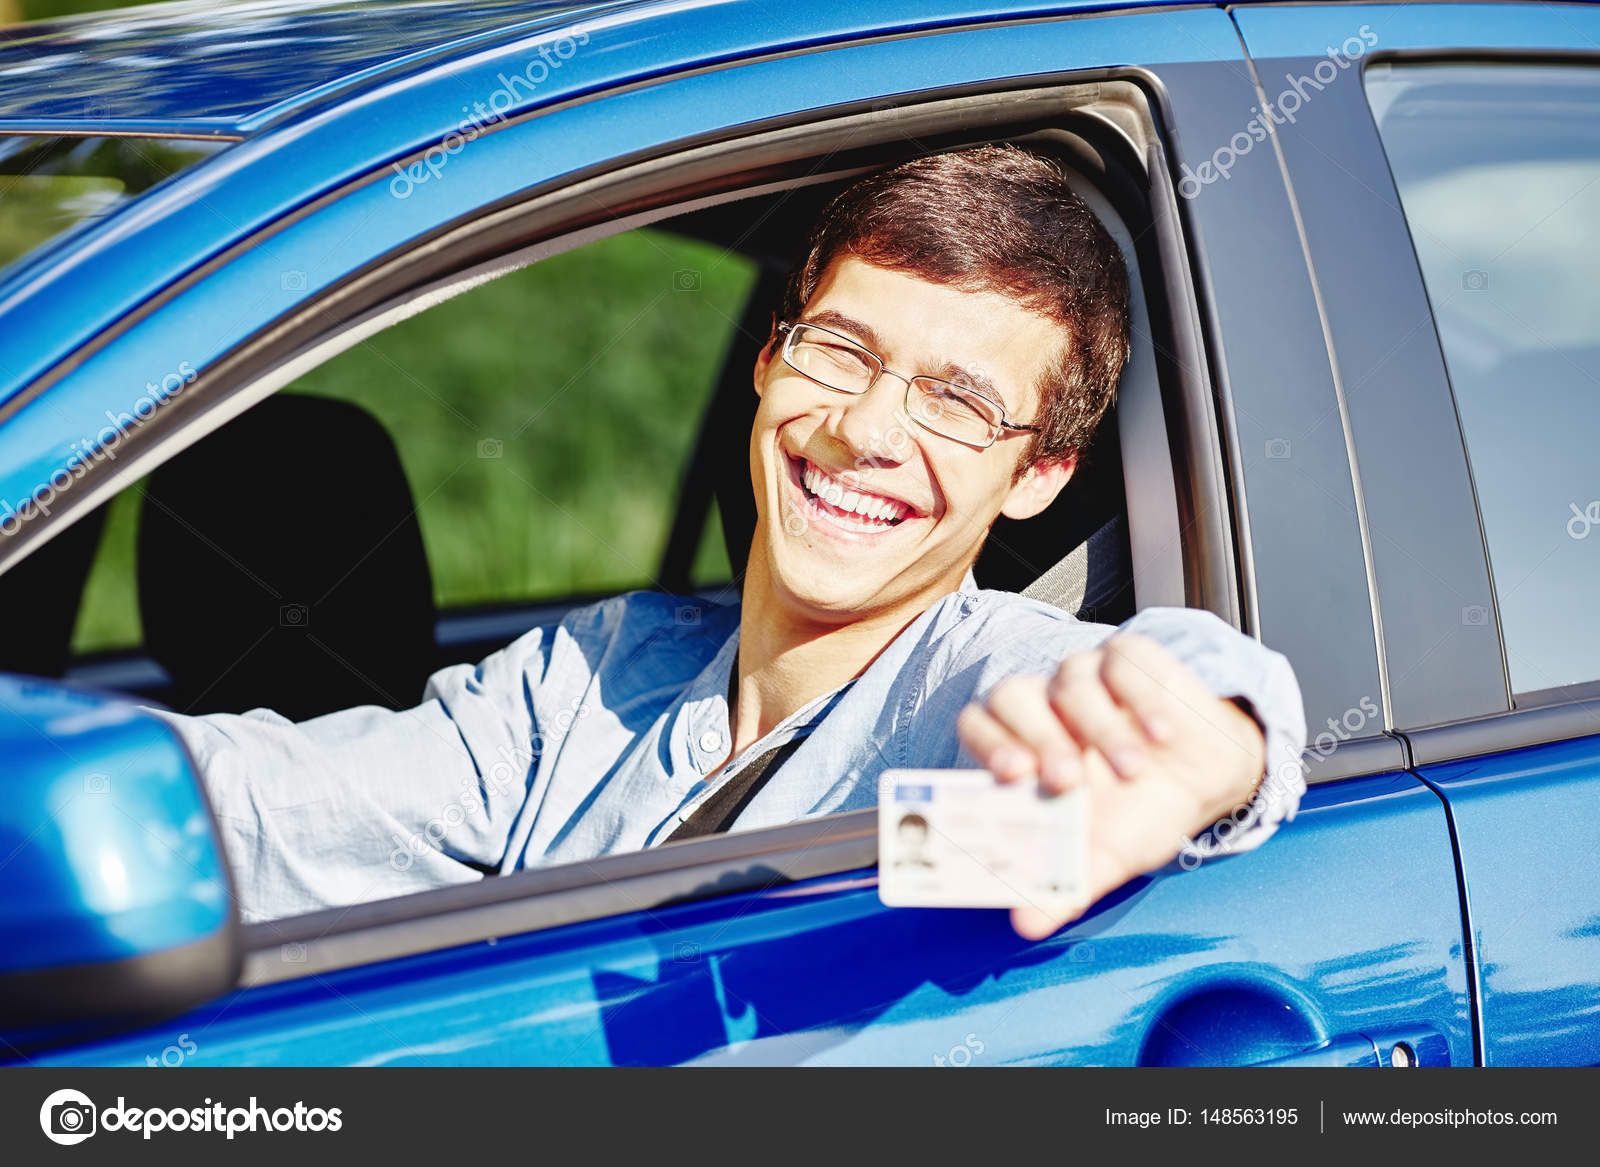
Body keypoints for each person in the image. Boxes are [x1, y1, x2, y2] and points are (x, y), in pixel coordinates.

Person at [151, 144, 1308, 938]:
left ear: (1038, 475)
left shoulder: (979, 691)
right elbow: (271, 808)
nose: (862, 430)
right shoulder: (598, 679)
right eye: (838, 353)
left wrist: (1215, 746)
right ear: (768, 364)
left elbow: (1182, 695)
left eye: (955, 403)